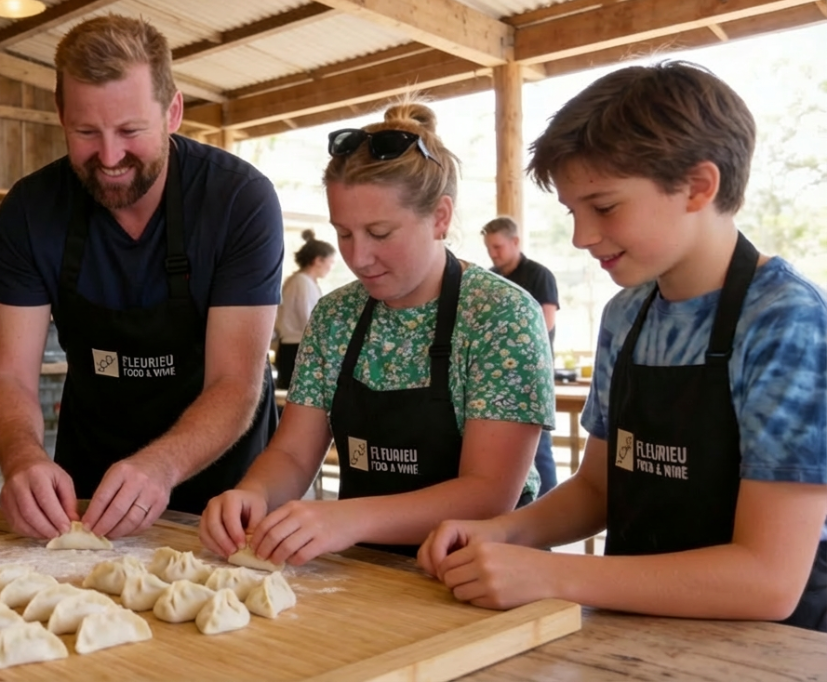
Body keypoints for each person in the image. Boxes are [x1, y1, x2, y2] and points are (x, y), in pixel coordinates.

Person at [419, 62, 827, 632]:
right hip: (637, 631)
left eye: (604, 207)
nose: (582, 236)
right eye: (573, 212)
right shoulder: (628, 313)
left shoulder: (786, 320)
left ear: (698, 186)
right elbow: (596, 487)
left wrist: (551, 575)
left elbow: (769, 579)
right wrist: (506, 531)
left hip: (769, 648)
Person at [199, 103, 554, 565]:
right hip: (367, 571)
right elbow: (291, 453)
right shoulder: (335, 316)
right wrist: (252, 493)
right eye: (344, 234)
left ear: (441, 217)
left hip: (484, 573)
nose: (359, 257)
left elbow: (489, 494)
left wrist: (346, 519)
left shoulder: (500, 315)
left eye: (380, 232)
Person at [0, 15, 284, 542]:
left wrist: (161, 468)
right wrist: (22, 459)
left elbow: (236, 381)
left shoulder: (238, 201)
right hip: (87, 489)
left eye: (130, 131)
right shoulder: (31, 211)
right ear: (60, 115)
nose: (110, 156)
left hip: (225, 497)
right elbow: (9, 377)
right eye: (85, 132)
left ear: (172, 112)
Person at [482, 215, 561, 495]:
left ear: (515, 242)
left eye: (498, 247)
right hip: (492, 379)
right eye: (489, 247)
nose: (492, 253)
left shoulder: (539, 275)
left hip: (531, 377)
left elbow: (545, 323)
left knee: (538, 451)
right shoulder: (489, 278)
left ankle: (547, 524)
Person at [273, 229, 335, 391]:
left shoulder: (303, 281)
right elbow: (309, 320)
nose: (330, 267)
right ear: (318, 260)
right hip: (296, 348)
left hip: (296, 347)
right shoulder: (301, 282)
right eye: (330, 262)